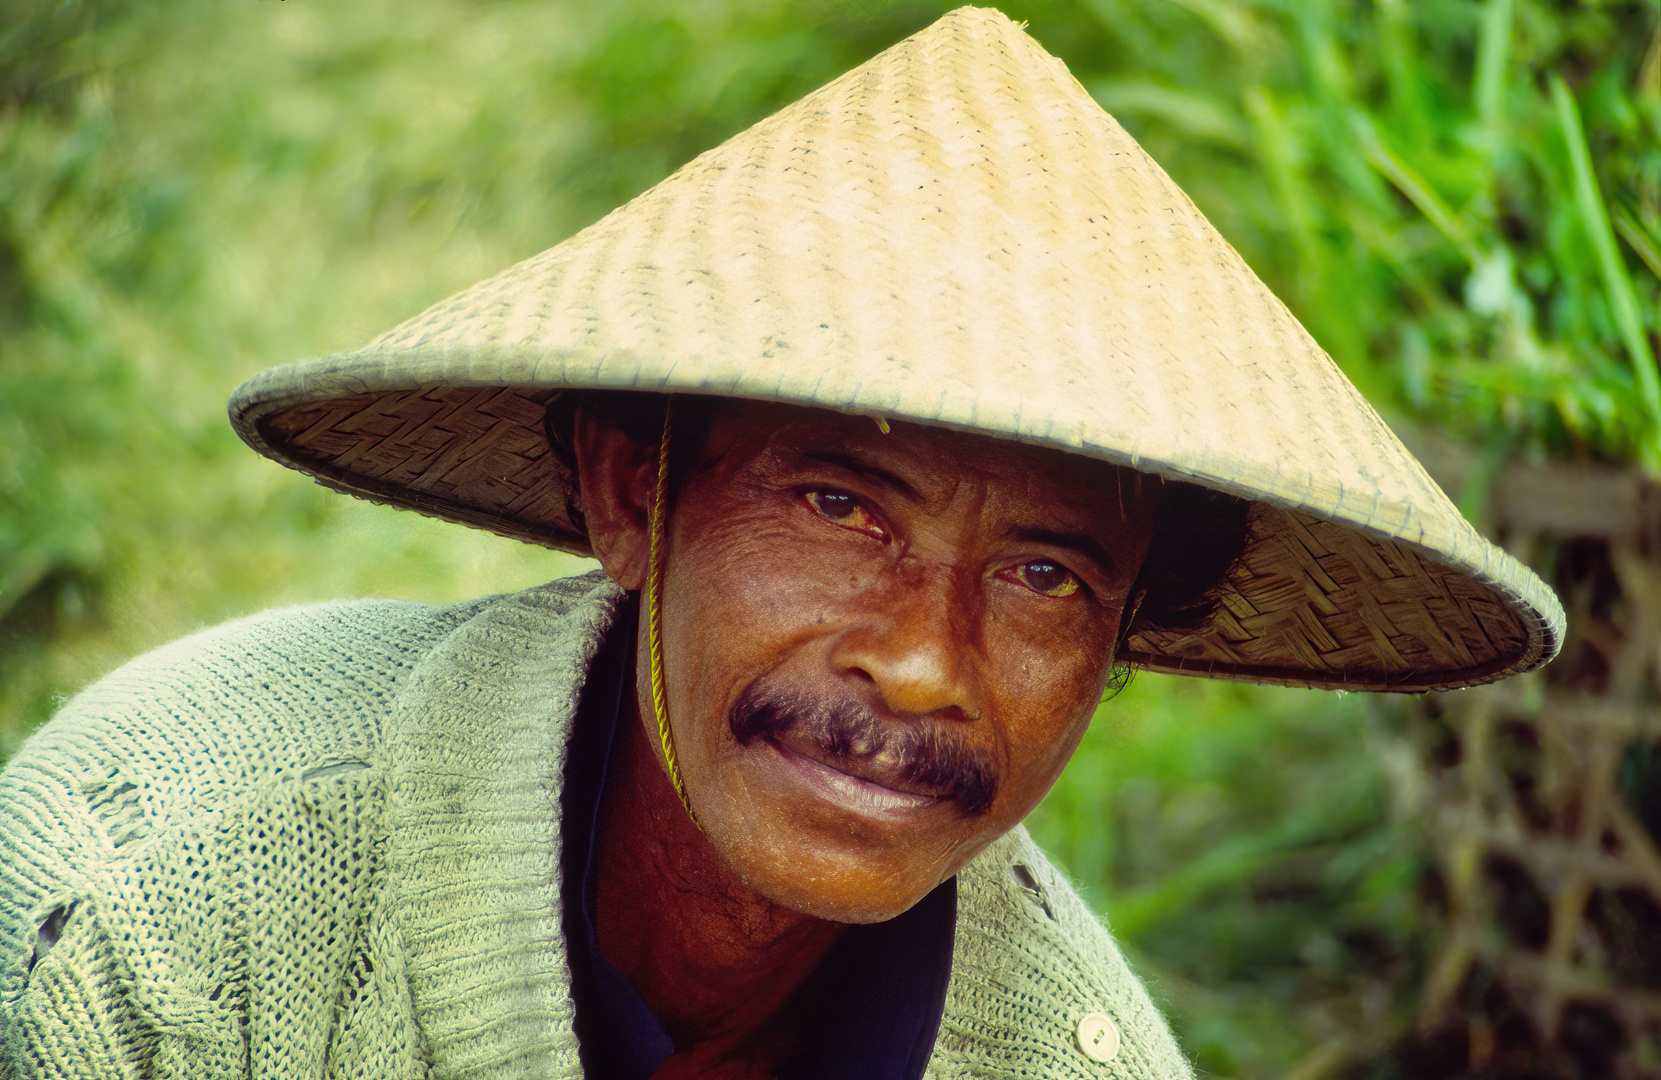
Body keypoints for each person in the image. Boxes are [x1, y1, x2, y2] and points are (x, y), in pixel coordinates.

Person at [0, 8, 1562, 1079]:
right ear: (628, 491)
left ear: (1121, 638)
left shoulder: (1066, 1050)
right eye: (838, 506)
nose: (926, 661)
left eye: (1044, 574)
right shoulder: (150, 900)